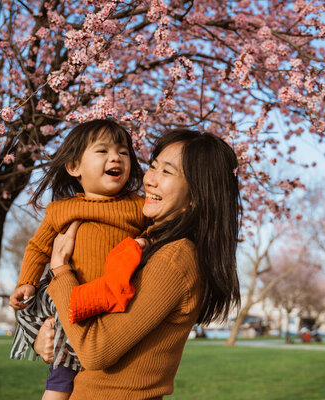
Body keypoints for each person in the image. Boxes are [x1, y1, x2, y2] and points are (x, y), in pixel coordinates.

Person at [37, 129, 242, 399]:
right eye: (153, 166)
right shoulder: (147, 243)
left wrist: (61, 271)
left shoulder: (175, 258)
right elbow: (96, 315)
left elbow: (96, 350)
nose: (150, 180)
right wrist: (51, 330)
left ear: (196, 195)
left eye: (166, 172)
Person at [8, 119, 149, 400]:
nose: (115, 158)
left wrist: (148, 239)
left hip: (109, 303)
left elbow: (159, 229)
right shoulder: (62, 209)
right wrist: (27, 281)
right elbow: (37, 247)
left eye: (123, 152)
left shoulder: (137, 206)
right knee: (60, 378)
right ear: (74, 167)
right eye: (102, 151)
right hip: (69, 303)